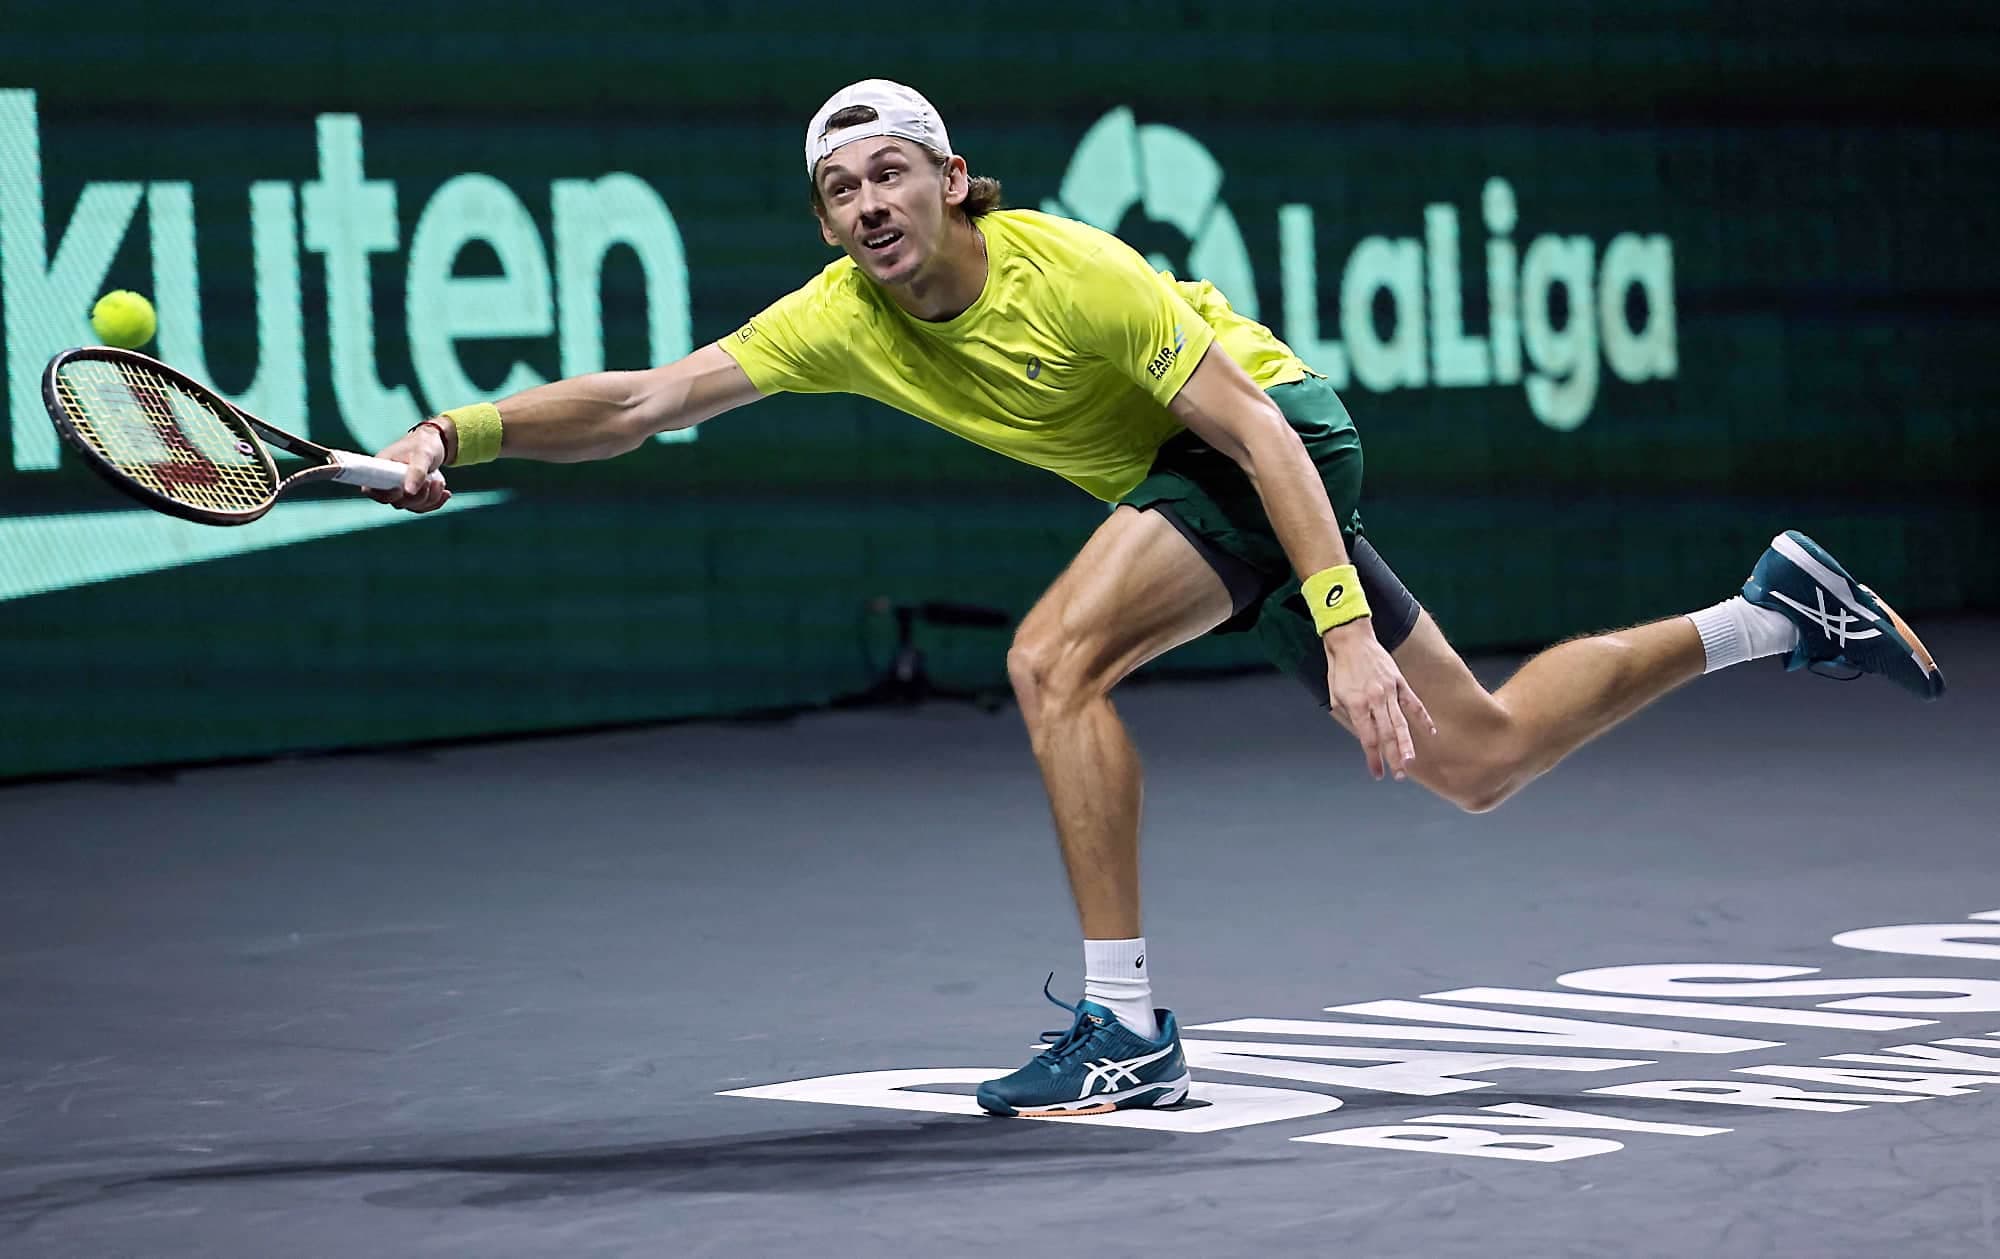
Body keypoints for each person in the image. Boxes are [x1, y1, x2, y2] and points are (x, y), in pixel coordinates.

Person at [369, 80, 1945, 1118]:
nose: (865, 202)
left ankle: (1126, 1029)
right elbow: (644, 402)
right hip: (1199, 496)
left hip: (1275, 443)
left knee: (1054, 658)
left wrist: (1338, 631)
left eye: (892, 172)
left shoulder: (1071, 272)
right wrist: (461, 432)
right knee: (1480, 756)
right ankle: (1777, 616)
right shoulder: (838, 317)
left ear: (953, 182)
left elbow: (1256, 432)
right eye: (839, 186)